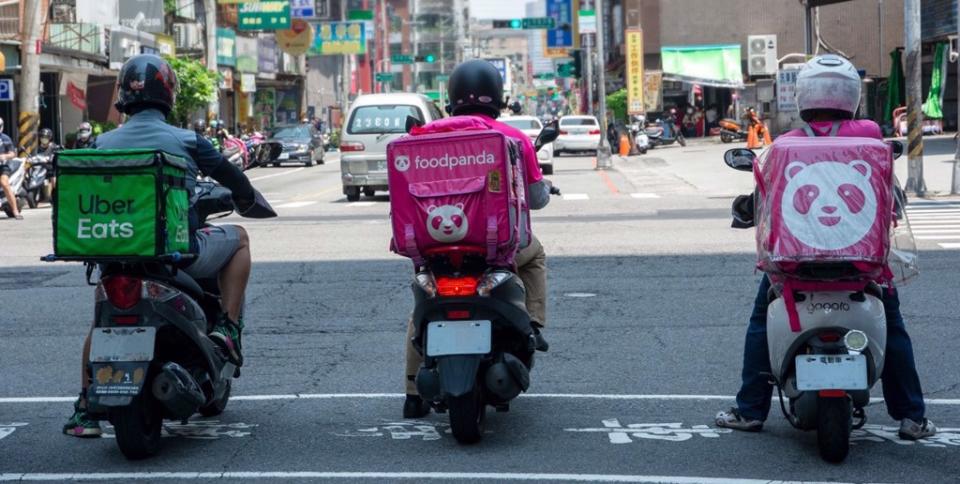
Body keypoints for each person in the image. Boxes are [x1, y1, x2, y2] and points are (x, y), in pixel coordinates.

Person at [716, 54, 936, 441]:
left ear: (802, 96)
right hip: (863, 265)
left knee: (759, 321)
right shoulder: (871, 139)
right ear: (852, 96)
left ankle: (751, 409)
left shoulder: (786, 145)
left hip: (794, 267)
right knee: (894, 326)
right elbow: (892, 200)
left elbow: (766, 200)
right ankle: (912, 416)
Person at [63, 54, 259, 437]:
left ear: (124, 95)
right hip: (178, 257)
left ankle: (84, 410)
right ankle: (229, 330)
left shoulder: (102, 143)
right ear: (168, 94)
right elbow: (232, 177)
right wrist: (246, 195)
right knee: (239, 239)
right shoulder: (186, 140)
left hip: (117, 255)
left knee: (101, 321)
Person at [403, 59, 552, 418]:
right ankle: (533, 326)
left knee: (423, 302)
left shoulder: (424, 135)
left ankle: (412, 392)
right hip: (497, 249)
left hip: (436, 247)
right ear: (498, 99)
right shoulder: (513, 138)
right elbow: (535, 200)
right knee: (536, 256)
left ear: (452, 97)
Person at [0, 117, 21, 220]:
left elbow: (13, 153)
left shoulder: (5, 139)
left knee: (4, 183)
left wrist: (5, 156)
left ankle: (15, 210)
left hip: (3, 166)